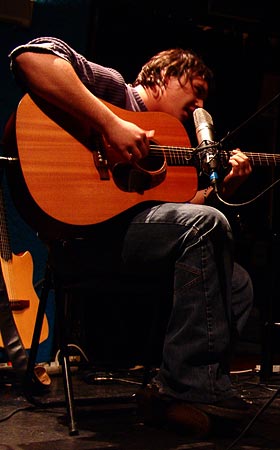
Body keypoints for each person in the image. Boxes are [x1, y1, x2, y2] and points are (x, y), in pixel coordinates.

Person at [8, 36, 255, 435]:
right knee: (207, 226)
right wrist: (110, 123)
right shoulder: (113, 90)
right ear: (161, 76)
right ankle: (189, 392)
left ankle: (171, 389)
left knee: (237, 281)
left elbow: (186, 214)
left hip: (132, 245)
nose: (201, 107)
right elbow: (29, 58)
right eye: (195, 92)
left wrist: (221, 189)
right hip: (83, 243)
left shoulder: (175, 143)